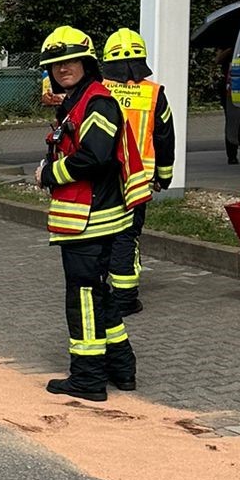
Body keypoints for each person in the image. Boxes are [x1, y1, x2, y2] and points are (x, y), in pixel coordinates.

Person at [36, 28, 142, 401]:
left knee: (81, 298)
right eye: (56, 63)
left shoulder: (97, 102)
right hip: (90, 216)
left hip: (90, 219)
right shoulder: (80, 101)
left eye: (70, 61)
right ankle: (122, 367)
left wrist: (49, 173)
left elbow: (95, 157)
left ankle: (88, 377)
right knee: (98, 294)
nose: (63, 68)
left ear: (87, 63)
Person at [101, 29, 175, 317]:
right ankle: (125, 299)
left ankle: (99, 287)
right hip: (137, 179)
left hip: (100, 177)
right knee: (126, 235)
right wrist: (164, 176)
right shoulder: (154, 94)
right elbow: (165, 139)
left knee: (100, 232)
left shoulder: (97, 90)